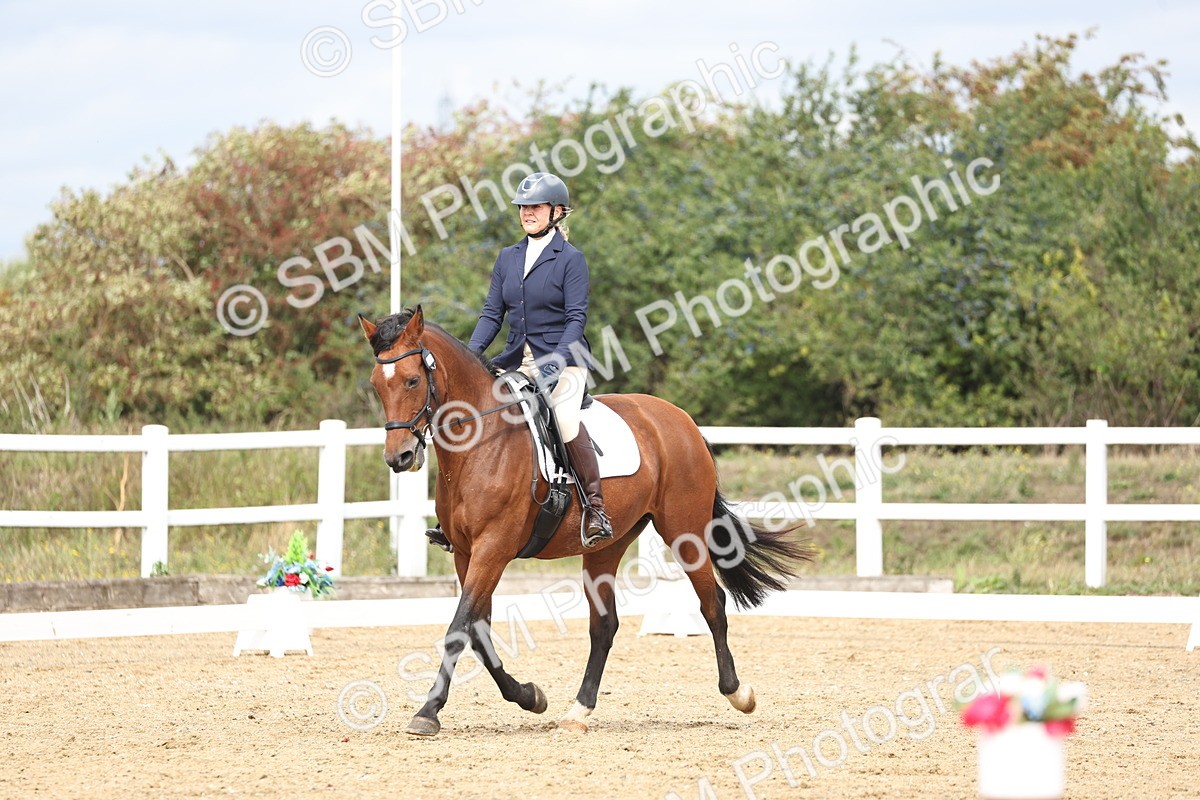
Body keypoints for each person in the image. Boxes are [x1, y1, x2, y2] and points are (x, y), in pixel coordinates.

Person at [425, 172, 613, 551]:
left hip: (565, 358)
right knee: (476, 412)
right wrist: (470, 356)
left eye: (536, 207)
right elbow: (492, 314)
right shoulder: (508, 257)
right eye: (524, 207)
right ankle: (457, 516)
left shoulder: (570, 259)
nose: (528, 213)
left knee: (562, 417)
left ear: (557, 212)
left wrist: (557, 362)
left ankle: (595, 508)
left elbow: (576, 318)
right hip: (515, 359)